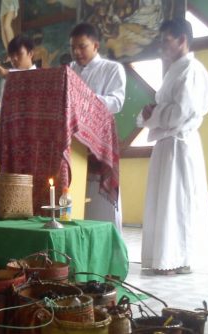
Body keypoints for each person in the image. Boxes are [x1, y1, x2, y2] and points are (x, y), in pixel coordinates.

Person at [138, 18, 208, 275]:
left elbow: (181, 112)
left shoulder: (191, 70)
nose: (162, 47)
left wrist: (155, 113)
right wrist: (150, 111)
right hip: (166, 143)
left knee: (178, 201)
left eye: (166, 41)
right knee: (166, 201)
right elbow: (166, 109)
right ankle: (166, 258)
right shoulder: (175, 70)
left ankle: (178, 259)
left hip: (180, 143)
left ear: (182, 40)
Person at [69, 23, 126, 230]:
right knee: (75, 198)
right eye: (73, 47)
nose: (76, 52)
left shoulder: (112, 69)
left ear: (96, 45)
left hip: (99, 144)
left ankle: (107, 244)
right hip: (74, 143)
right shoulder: (70, 70)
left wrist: (87, 102)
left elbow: (117, 102)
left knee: (100, 206)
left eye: (82, 46)